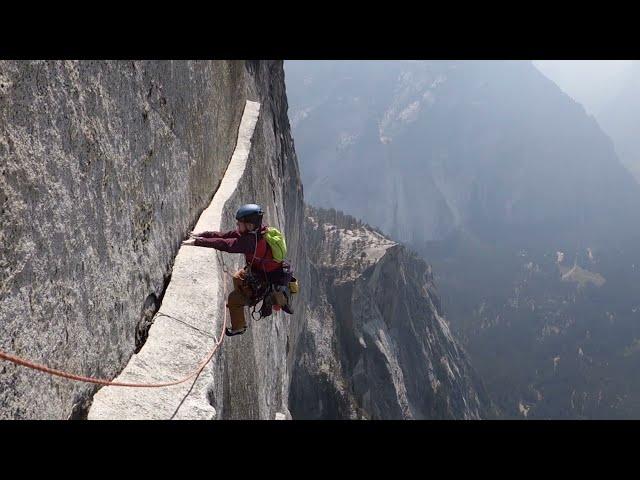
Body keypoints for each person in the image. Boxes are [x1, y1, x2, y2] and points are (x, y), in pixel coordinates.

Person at [181, 203, 292, 337]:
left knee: (234, 299)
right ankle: (247, 295)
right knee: (237, 276)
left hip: (266, 281)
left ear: (250, 225)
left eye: (239, 224)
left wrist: (197, 242)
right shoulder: (257, 232)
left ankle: (239, 327)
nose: (237, 226)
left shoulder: (252, 242)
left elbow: (227, 245)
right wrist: (201, 235)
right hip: (260, 273)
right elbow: (225, 236)